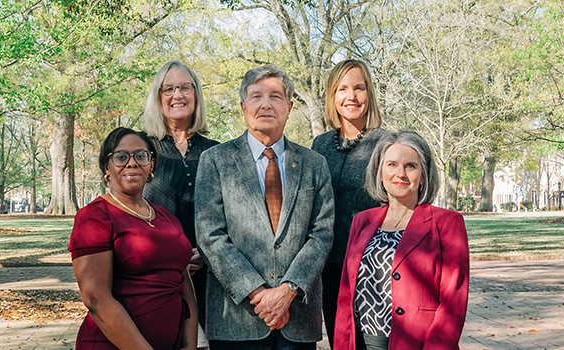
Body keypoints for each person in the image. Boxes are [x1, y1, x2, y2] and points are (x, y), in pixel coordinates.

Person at [195, 64, 334, 350]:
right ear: (244, 105)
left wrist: (287, 291)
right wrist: (259, 294)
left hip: (297, 321)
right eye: (256, 96)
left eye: (276, 96)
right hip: (236, 321)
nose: (266, 104)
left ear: (290, 106)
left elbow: (322, 234)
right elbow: (210, 235)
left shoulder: (314, 164)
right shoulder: (215, 160)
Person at [334, 130, 469, 350]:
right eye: (392, 165)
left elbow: (453, 304)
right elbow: (345, 296)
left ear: (424, 175)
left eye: (411, 166)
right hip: (363, 343)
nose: (401, 174)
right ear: (379, 172)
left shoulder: (446, 224)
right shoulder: (362, 221)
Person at [69, 127, 197, 350]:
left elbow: (184, 285)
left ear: (152, 165)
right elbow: (96, 300)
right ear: (106, 168)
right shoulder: (94, 217)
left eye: (141, 155)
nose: (132, 163)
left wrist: (190, 346)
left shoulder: (166, 216)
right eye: (120, 157)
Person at [141, 60, 219, 349]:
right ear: (158, 97)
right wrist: (174, 257)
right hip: (158, 278)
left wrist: (207, 256)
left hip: (212, 279)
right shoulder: (141, 150)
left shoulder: (218, 152)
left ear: (196, 95)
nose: (178, 95)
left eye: (185, 87)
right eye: (169, 89)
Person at [310, 59, 388, 347]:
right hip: (328, 267)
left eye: (359, 88)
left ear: (370, 94)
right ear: (332, 96)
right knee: (340, 342)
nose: (351, 97)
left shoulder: (385, 143)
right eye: (342, 89)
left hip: (373, 267)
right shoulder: (319, 145)